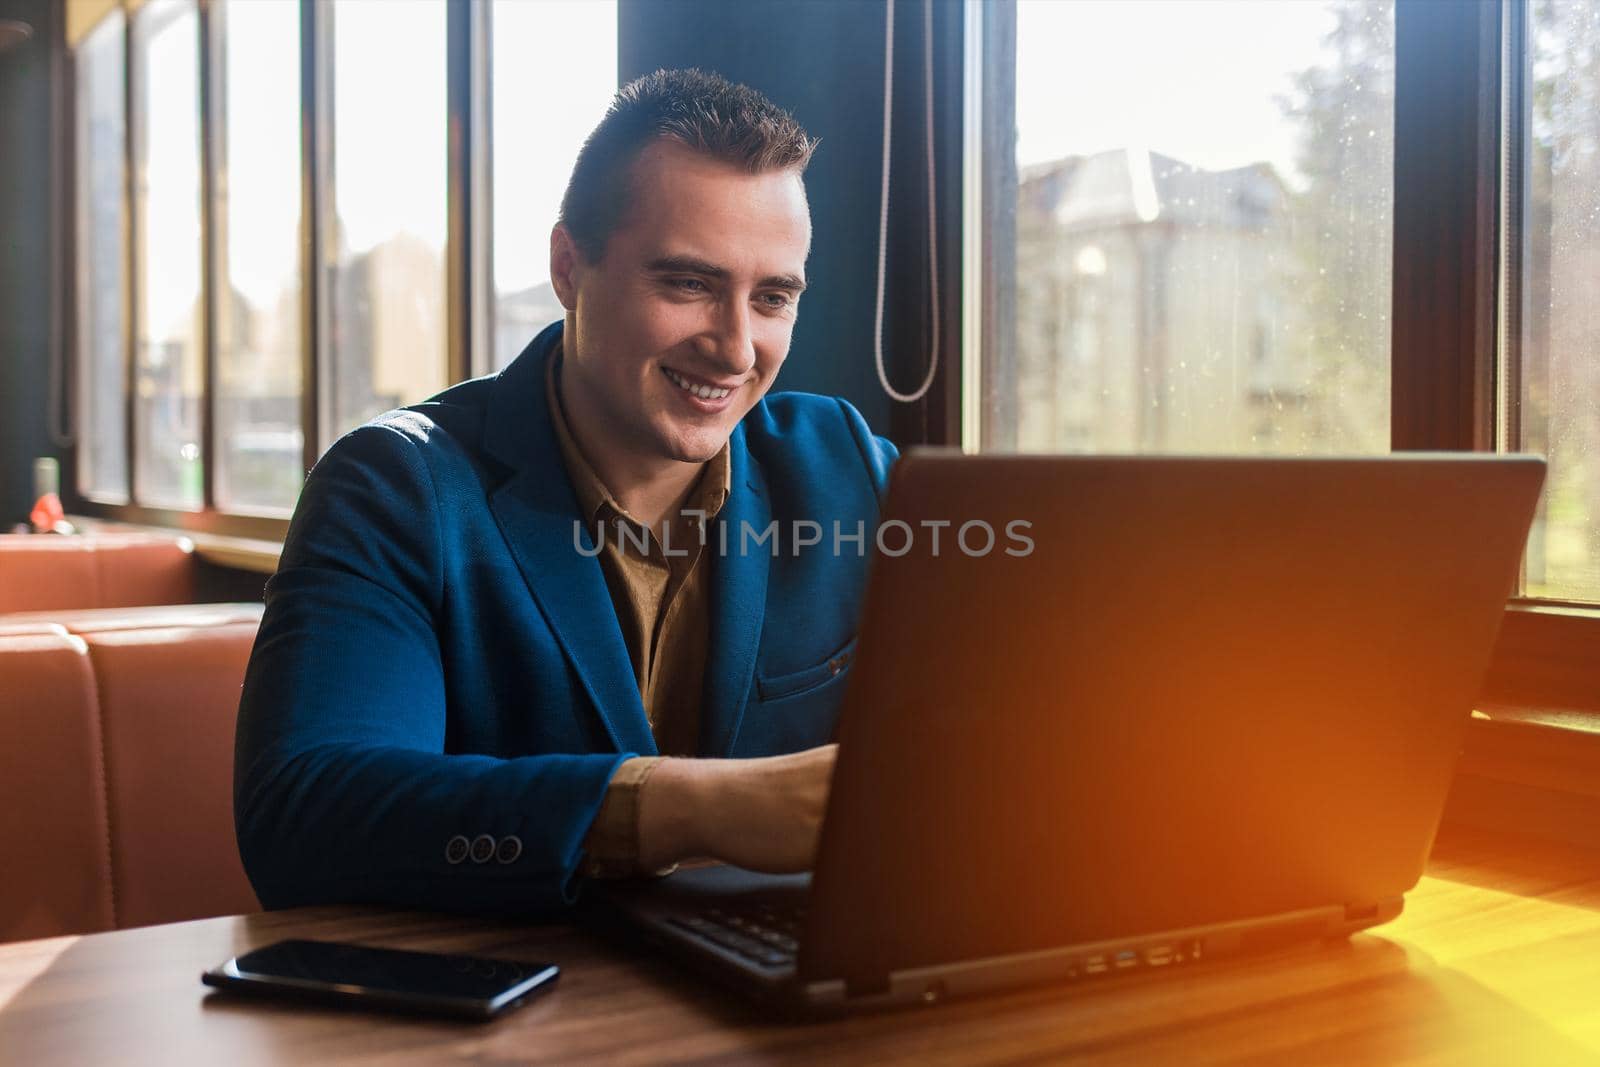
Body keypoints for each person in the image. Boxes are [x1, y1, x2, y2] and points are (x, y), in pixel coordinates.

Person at [234, 68, 898, 914]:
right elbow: (305, 818)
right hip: (507, 1018)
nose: (736, 349)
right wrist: (709, 807)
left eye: (772, 297)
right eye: (689, 284)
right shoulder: (395, 486)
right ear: (568, 267)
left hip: (772, 1002)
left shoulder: (843, 464)